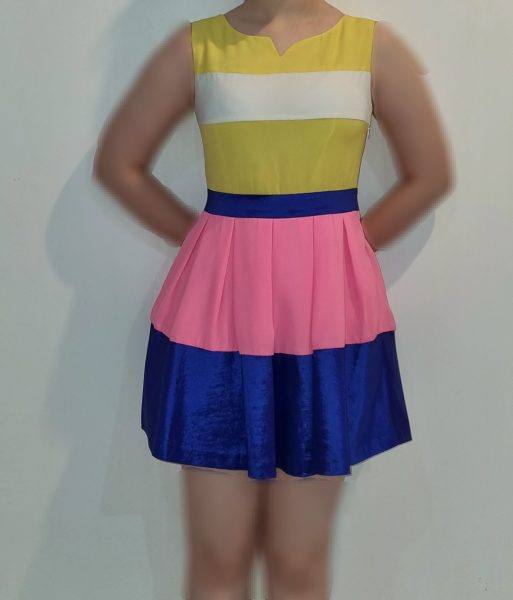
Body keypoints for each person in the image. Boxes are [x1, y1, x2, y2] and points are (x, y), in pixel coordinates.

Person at [93, 1, 454, 598]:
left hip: (325, 323)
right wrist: (210, 242)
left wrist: (349, 246)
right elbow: (119, 165)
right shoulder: (196, 47)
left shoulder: (371, 47)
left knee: (298, 560)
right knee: (219, 556)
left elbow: (430, 174)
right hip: (218, 324)